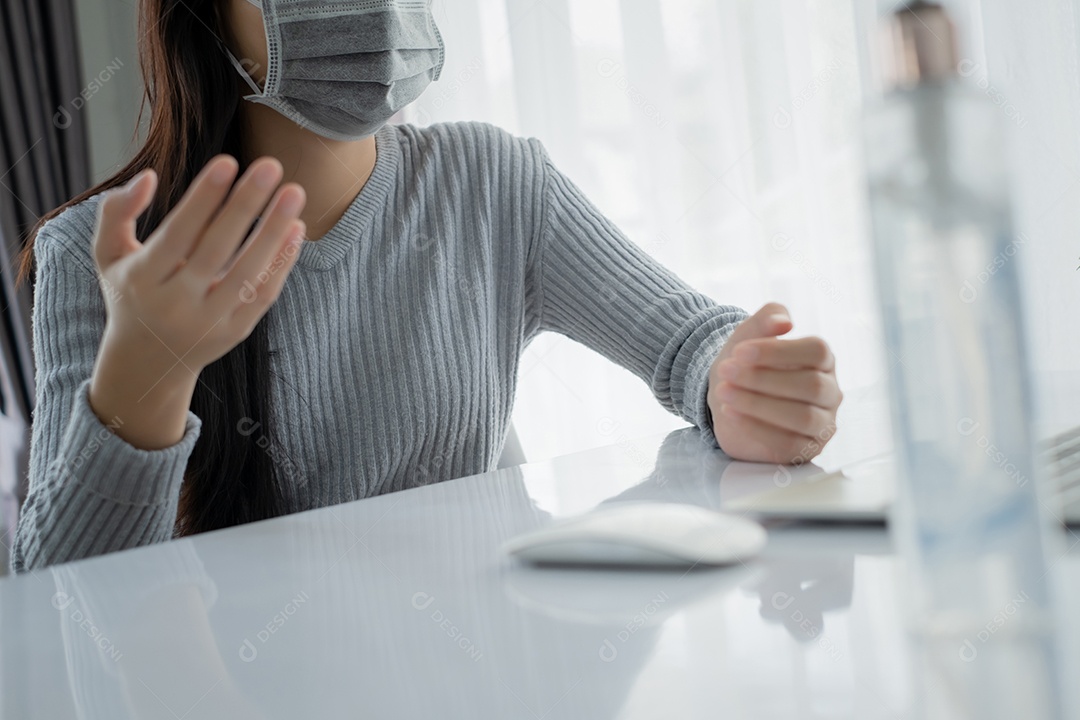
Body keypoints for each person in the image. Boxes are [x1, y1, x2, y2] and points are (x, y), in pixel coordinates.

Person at [11, 0, 842, 572]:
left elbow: (691, 342)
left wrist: (740, 383)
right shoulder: (98, 254)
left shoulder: (494, 179)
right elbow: (66, 604)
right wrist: (144, 380)